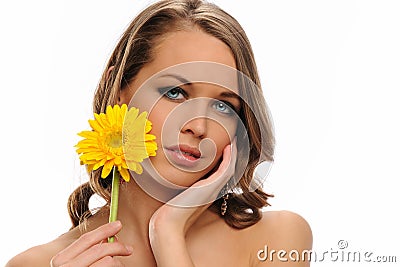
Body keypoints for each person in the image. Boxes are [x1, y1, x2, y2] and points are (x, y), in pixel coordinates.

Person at [6, 0, 312, 266]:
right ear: (118, 92)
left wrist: (168, 233)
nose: (198, 125)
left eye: (222, 106)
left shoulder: (276, 240)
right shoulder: (36, 263)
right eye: (175, 93)